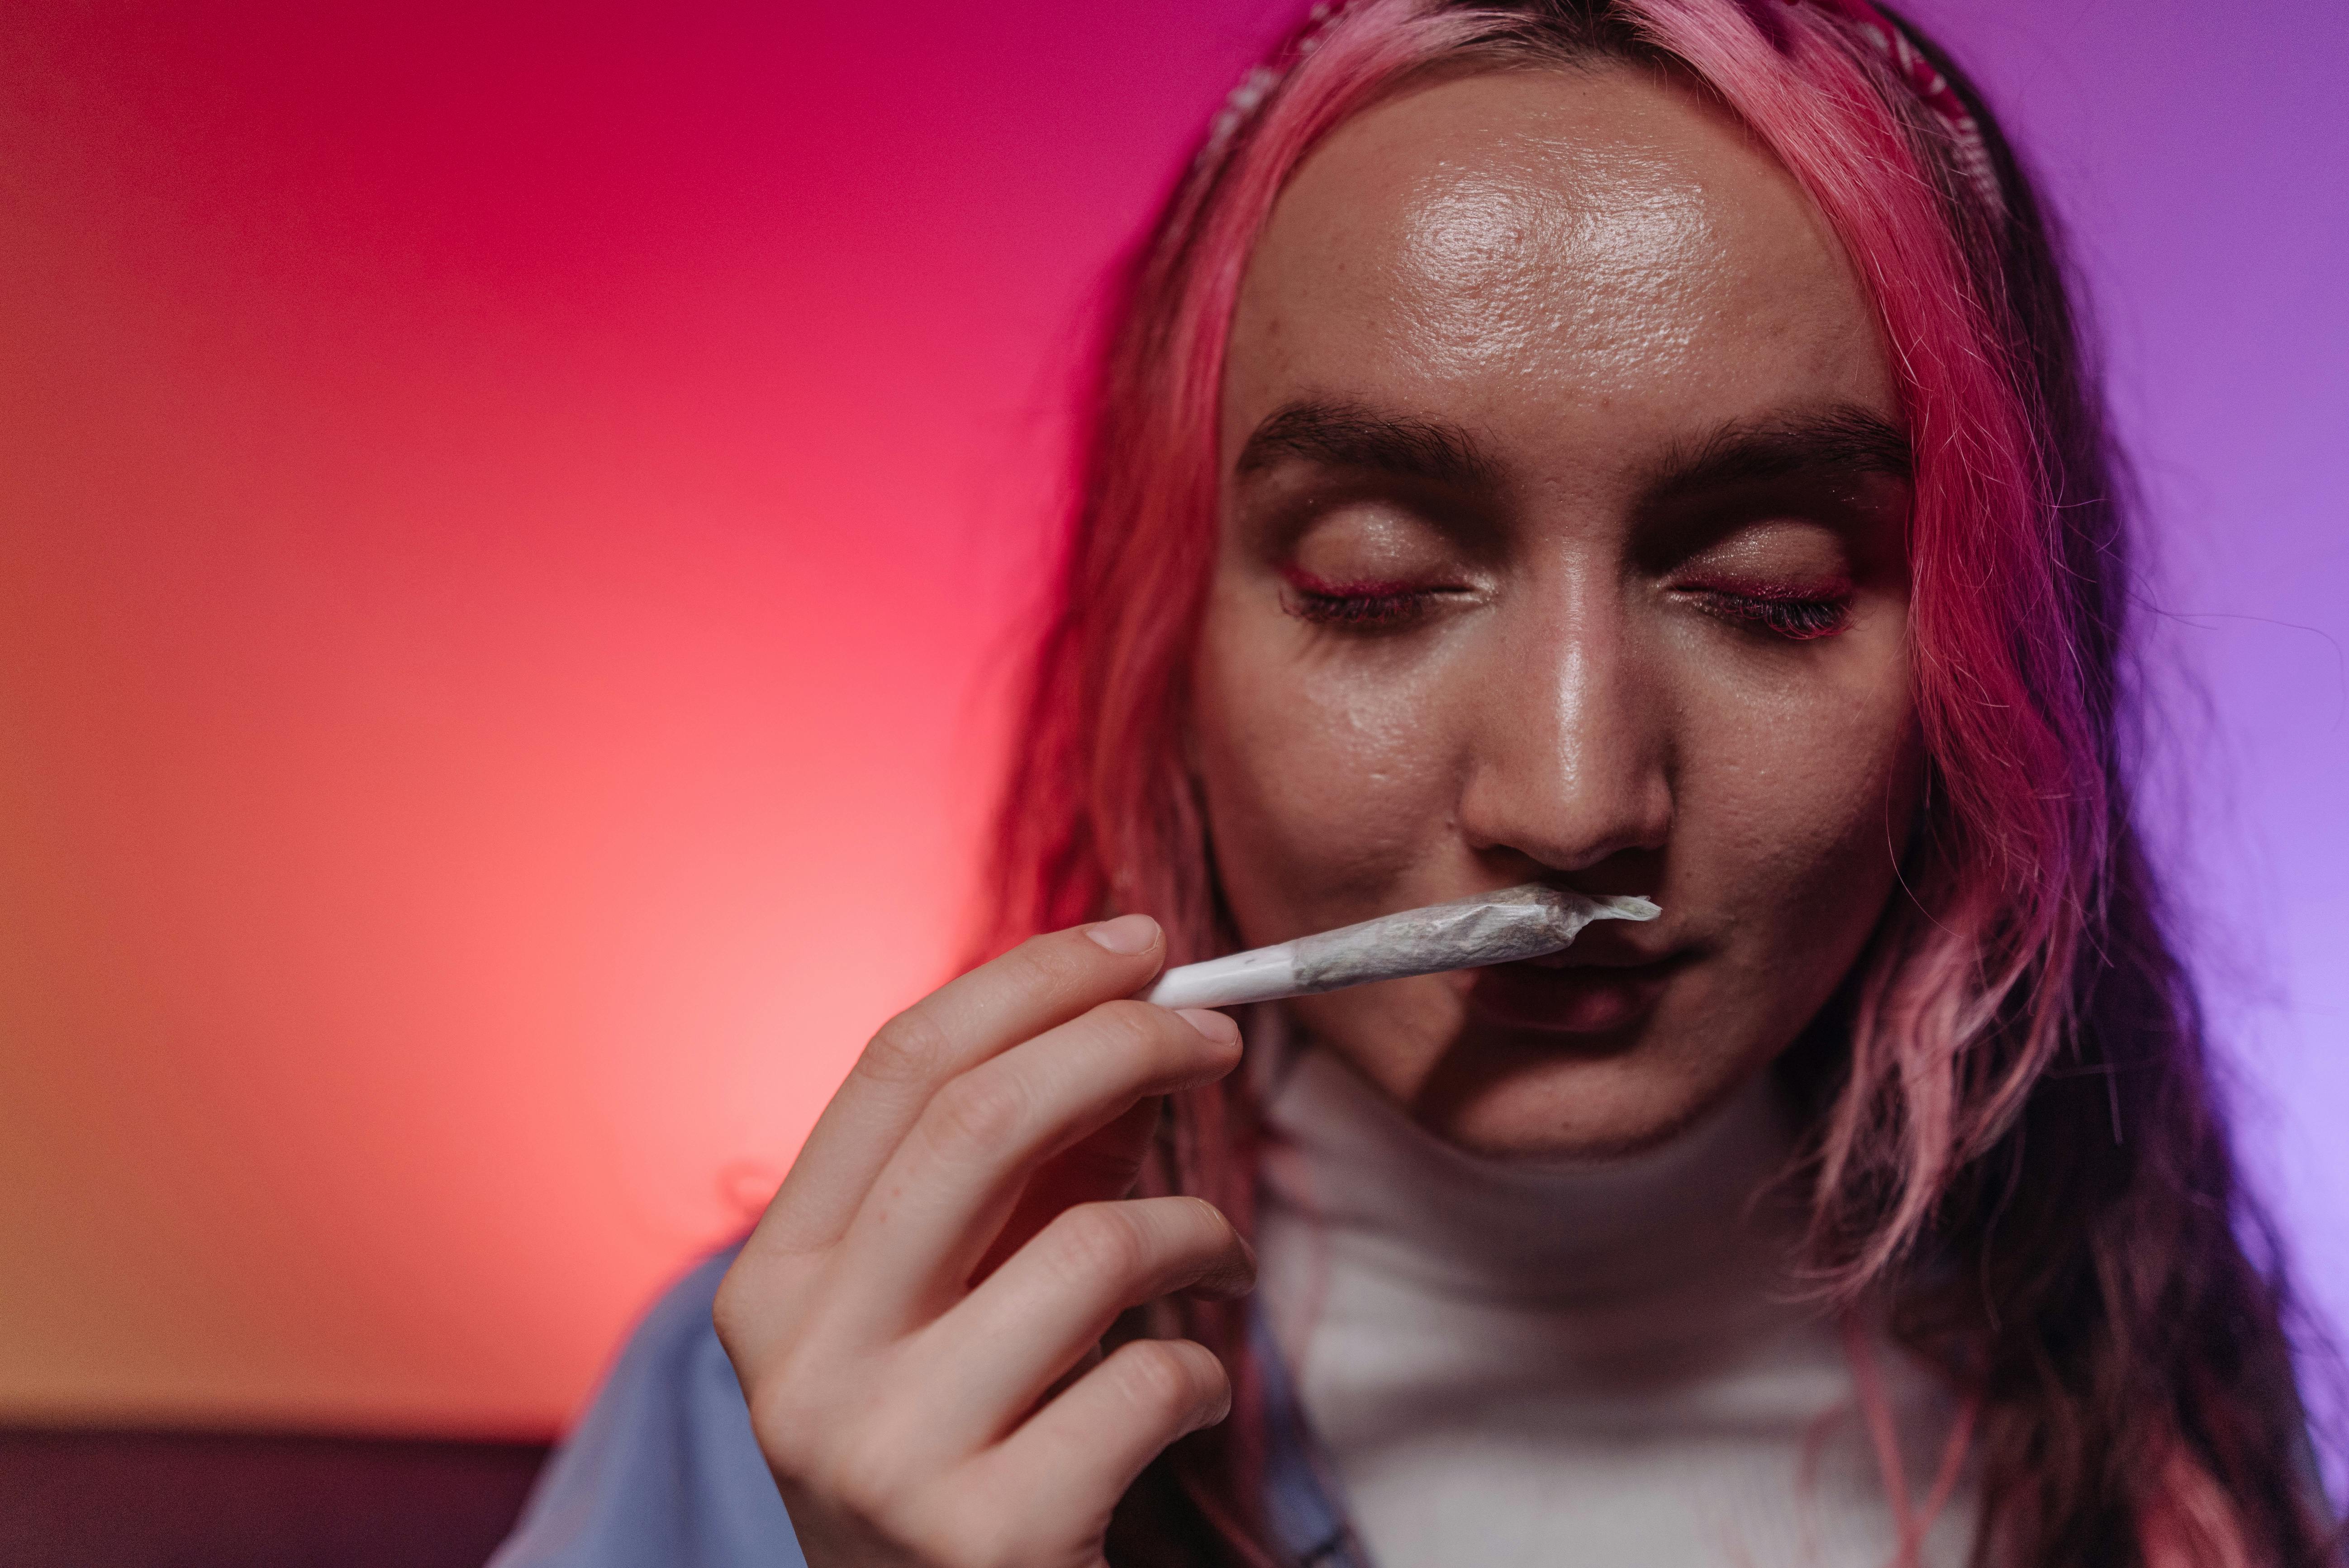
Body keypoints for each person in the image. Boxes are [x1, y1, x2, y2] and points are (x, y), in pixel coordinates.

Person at [491, 2, 2337, 1564]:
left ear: (1981, 667)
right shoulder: (794, 1408)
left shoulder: (2182, 1454)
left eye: (1773, 596)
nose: (1567, 799)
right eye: (1369, 586)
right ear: (1169, 649)